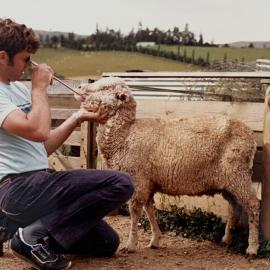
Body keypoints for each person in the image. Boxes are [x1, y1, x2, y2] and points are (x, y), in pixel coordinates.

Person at [0, 18, 134, 270]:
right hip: (18, 189)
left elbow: (42, 148)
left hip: (37, 186)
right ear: (2, 57)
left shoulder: (16, 90)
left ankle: (12, 225)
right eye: (25, 59)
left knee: (106, 243)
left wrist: (77, 117)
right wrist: (39, 90)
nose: (30, 66)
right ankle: (29, 238)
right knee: (121, 182)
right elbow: (38, 130)